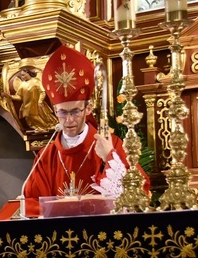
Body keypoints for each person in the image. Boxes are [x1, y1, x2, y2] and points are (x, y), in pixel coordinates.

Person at [22, 45, 150, 199]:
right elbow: (31, 204)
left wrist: (109, 157)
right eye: (63, 112)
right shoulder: (46, 157)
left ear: (88, 108)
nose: (69, 120)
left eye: (75, 111)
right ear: (55, 111)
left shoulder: (111, 144)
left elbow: (138, 193)